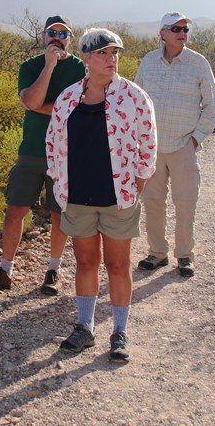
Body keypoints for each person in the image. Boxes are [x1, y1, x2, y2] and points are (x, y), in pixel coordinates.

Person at [46, 28, 157, 362]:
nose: (112, 60)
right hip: (78, 196)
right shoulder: (68, 98)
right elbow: (52, 142)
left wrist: (139, 182)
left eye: (115, 53)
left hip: (117, 197)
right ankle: (86, 327)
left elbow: (148, 143)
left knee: (119, 265)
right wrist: (57, 180)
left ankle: (119, 332)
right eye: (103, 54)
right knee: (86, 262)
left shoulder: (134, 96)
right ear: (86, 58)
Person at [0, 16, 85, 295]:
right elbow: (32, 101)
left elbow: (71, 108)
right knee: (15, 210)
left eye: (63, 33)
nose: (57, 38)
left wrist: (37, 105)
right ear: (43, 35)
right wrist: (49, 66)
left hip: (64, 152)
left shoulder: (79, 69)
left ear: (71, 38)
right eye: (52, 32)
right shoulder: (31, 66)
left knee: (58, 213)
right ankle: (5, 270)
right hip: (32, 150)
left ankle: (53, 270)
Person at [134, 12, 215, 277]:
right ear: (162, 33)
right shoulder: (148, 61)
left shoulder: (198, 63)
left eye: (185, 29)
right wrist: (138, 138)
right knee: (152, 201)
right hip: (152, 146)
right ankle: (157, 253)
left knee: (185, 202)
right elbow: (136, 99)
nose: (182, 33)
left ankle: (184, 255)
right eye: (176, 28)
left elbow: (212, 106)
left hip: (184, 145)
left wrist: (195, 140)